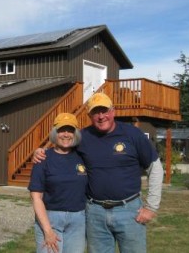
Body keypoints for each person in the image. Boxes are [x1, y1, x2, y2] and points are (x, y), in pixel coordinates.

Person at [33, 93, 163, 253]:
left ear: (113, 111)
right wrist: (40, 151)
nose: (101, 116)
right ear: (90, 116)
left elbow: (155, 167)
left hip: (129, 210)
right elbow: (62, 147)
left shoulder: (132, 134)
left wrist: (151, 207)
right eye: (96, 112)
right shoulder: (83, 137)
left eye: (105, 111)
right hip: (95, 213)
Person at [28, 113, 88, 253]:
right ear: (55, 132)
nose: (66, 134)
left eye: (70, 130)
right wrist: (48, 231)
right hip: (50, 219)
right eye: (62, 130)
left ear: (76, 133)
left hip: (78, 221)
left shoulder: (83, 157)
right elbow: (36, 198)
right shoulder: (43, 158)